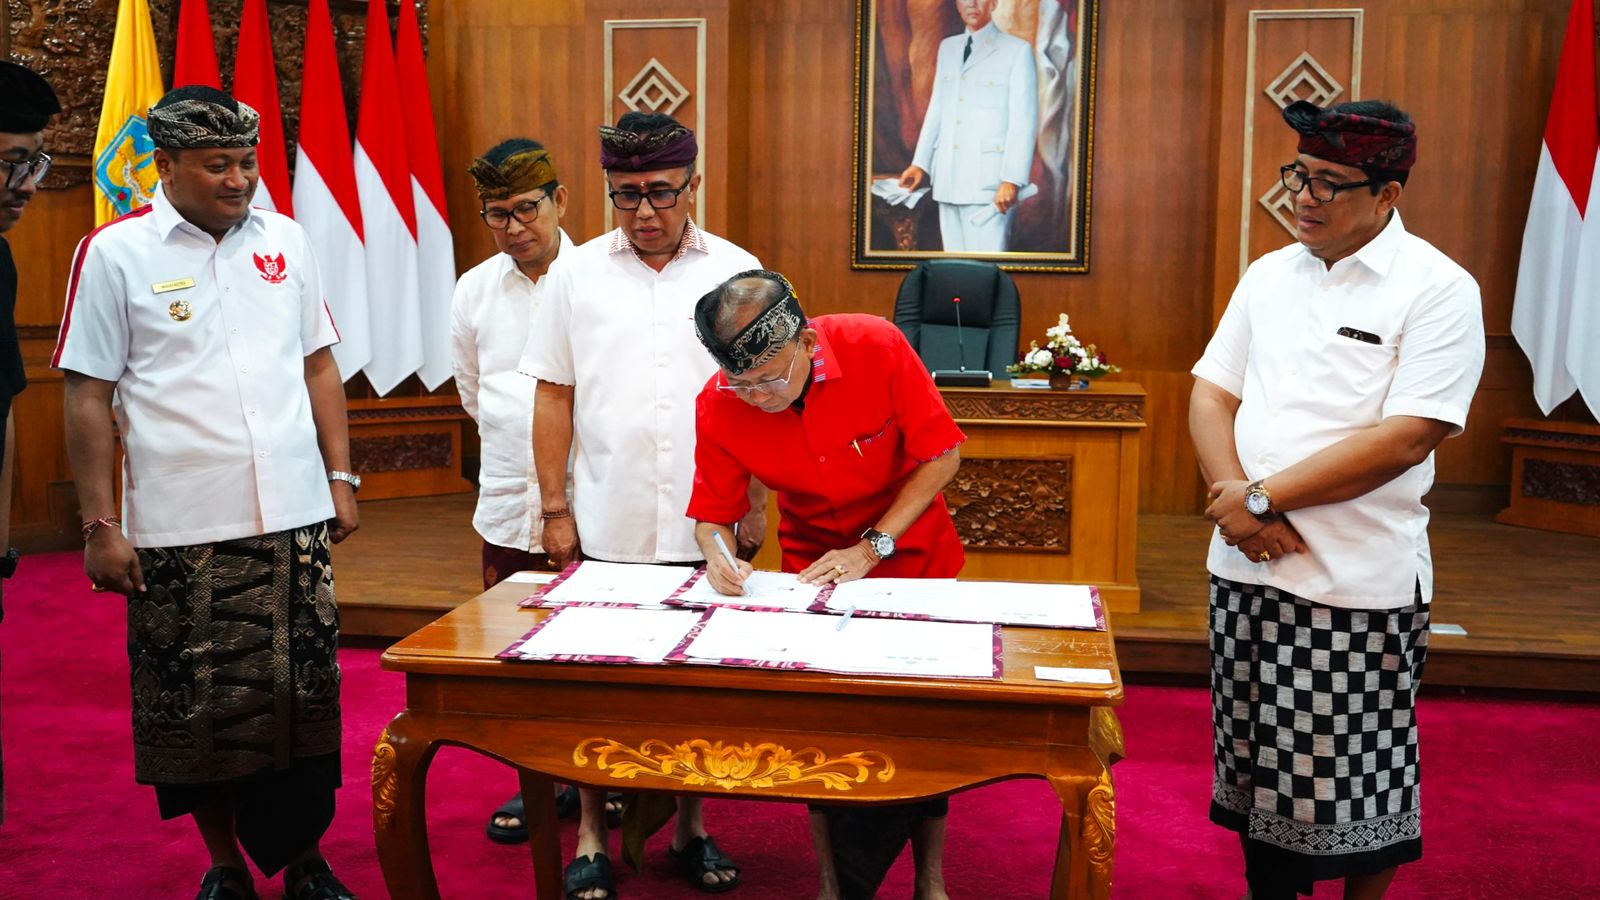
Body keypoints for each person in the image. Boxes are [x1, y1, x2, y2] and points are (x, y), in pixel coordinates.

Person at [54, 86, 361, 900]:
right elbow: (87, 392)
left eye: (248, 163)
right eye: (217, 164)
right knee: (197, 710)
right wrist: (99, 522)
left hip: (293, 515)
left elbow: (318, 363)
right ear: (166, 164)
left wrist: (340, 476)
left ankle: (306, 860)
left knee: (302, 700)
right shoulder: (115, 253)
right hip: (180, 527)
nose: (238, 180)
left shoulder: (287, 240)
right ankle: (225, 864)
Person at [1189, 99, 1484, 900]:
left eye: (1329, 183)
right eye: (1299, 175)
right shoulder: (1268, 274)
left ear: (1387, 194)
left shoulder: (1437, 289)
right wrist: (1241, 508)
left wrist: (1257, 498)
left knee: (1357, 781)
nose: (1303, 197)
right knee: (1254, 770)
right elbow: (1211, 393)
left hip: (1351, 579)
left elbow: (1407, 437)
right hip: (1246, 567)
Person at [518, 111, 764, 900]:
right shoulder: (576, 274)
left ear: (694, 185)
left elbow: (762, 395)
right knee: (598, 678)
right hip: (608, 514)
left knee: (697, 678)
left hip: (710, 516)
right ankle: (592, 831)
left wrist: (757, 502)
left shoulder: (737, 270)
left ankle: (690, 826)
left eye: (661, 192)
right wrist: (554, 509)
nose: (645, 211)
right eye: (626, 195)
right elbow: (553, 395)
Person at [687, 270, 965, 900]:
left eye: (769, 380)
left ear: (808, 343)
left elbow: (942, 455)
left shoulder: (876, 346)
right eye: (742, 384)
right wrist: (715, 554)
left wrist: (872, 547)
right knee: (823, 729)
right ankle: (831, 884)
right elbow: (712, 514)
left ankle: (930, 880)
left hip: (912, 553)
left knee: (923, 724)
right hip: (814, 571)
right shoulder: (719, 402)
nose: (756, 397)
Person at [450, 138, 619, 846]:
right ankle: (536, 785)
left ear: (561, 202)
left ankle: (604, 783)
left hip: (592, 510)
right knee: (517, 660)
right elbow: (472, 393)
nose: (515, 227)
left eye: (528, 209)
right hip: (503, 508)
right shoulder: (474, 289)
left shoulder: (601, 280)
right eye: (498, 214)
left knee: (596, 659)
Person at [0, 60, 61, 830]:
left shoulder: (1, 261)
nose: (27, 185)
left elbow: (4, 406)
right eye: (12, 163)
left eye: (35, 164)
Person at [898, 0, 1038, 253]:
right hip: (948, 180)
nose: (972, 4)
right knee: (955, 266)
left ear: (994, 3)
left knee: (987, 266)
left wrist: (1012, 179)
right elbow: (937, 109)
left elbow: (1023, 121)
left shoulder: (1017, 51)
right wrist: (920, 163)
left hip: (990, 187)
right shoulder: (948, 48)